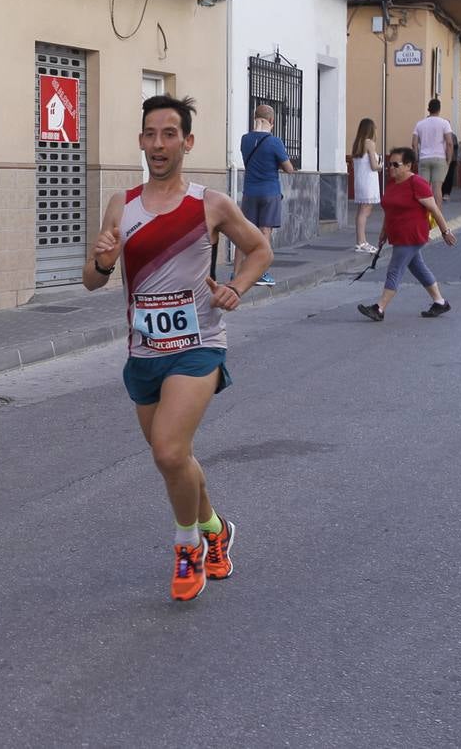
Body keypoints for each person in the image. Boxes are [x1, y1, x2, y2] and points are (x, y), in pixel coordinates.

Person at [84, 94, 272, 602]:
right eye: (150, 134)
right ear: (141, 141)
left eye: (170, 134)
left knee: (168, 450)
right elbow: (91, 280)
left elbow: (259, 249)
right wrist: (104, 261)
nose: (159, 144)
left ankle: (187, 547)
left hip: (198, 345)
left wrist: (238, 287)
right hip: (144, 352)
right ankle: (215, 529)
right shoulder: (121, 205)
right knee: (175, 457)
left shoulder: (208, 203)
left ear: (187, 142)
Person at [357, 147, 457, 322]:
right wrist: (383, 232)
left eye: (396, 164)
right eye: (389, 164)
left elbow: (434, 209)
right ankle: (440, 302)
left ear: (409, 165)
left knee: (394, 270)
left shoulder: (417, 183)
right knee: (418, 268)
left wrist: (445, 231)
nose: (391, 168)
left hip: (411, 235)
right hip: (397, 234)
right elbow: (389, 210)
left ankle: (379, 308)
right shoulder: (392, 183)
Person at [238, 104, 294, 286]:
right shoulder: (274, 142)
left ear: (255, 118)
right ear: (272, 121)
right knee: (264, 232)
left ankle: (237, 273)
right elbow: (289, 169)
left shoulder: (245, 139)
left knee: (244, 233)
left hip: (249, 192)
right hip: (269, 192)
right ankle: (261, 273)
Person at [412, 98, 454, 211]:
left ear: (428, 109)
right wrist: (449, 159)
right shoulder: (445, 123)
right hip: (440, 158)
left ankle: (423, 213)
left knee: (424, 188)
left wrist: (416, 158)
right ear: (439, 109)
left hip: (424, 158)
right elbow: (450, 143)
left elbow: (414, 143)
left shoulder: (419, 124)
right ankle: (437, 217)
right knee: (437, 188)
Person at [350, 118, 381, 252]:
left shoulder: (357, 143)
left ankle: (360, 241)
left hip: (360, 181)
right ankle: (362, 242)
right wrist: (381, 166)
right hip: (368, 181)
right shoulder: (369, 143)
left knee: (361, 212)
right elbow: (374, 166)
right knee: (365, 212)